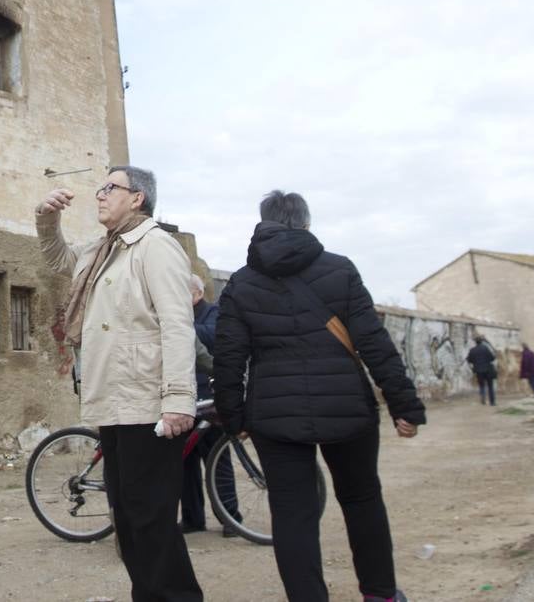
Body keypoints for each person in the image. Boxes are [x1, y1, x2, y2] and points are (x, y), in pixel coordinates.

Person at [213, 191, 424, 602]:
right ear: (306, 224)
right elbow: (374, 342)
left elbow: (228, 358)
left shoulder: (241, 282)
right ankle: (380, 594)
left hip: (274, 414)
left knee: (292, 515)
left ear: (263, 223)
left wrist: (233, 418)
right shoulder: (340, 269)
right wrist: (404, 404)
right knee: (362, 499)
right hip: (346, 405)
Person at [37, 166, 203, 601]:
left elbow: (177, 324)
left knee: (151, 519)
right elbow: (58, 259)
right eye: (100, 188)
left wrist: (179, 399)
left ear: (138, 198)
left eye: (111, 187)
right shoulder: (104, 249)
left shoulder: (156, 246)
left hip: (147, 403)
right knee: (128, 518)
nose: (100, 195)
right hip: (113, 401)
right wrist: (47, 217)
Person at [181, 274, 242, 537]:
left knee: (218, 462)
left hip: (209, 398)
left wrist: (177, 326)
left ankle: (231, 518)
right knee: (185, 464)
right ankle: (193, 519)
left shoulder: (213, 313)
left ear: (196, 294)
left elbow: (213, 336)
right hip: (183, 398)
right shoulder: (185, 315)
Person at [466, 335, 498, 405]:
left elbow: (469, 360)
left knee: (481, 385)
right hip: (488, 370)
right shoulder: (485, 348)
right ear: (481, 342)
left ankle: (483, 399)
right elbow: (492, 358)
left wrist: (475, 363)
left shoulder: (472, 350)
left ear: (475, 342)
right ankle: (492, 402)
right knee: (490, 386)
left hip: (478, 371)